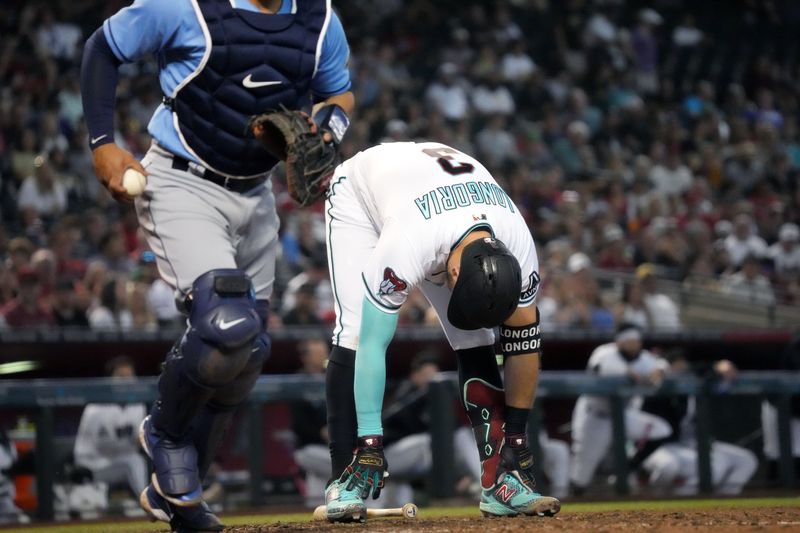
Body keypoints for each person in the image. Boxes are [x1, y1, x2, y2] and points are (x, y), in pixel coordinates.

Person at [80, 1, 354, 530]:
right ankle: (163, 433)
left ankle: (177, 499)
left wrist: (326, 130)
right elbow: (103, 47)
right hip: (183, 180)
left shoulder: (319, 19)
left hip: (257, 196)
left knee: (247, 353)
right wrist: (102, 143)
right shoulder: (186, 7)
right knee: (226, 325)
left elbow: (336, 92)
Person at [322, 141, 560, 521]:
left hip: (437, 203)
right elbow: (372, 343)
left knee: (478, 340)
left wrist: (517, 434)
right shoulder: (408, 243)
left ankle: (500, 478)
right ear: (451, 273)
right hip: (365, 194)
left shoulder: (519, 246)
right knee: (353, 329)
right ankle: (344, 480)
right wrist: (370, 440)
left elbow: (524, 347)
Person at [569, 323, 672, 494]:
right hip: (594, 417)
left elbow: (660, 364)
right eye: (629, 341)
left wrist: (660, 370)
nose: (634, 345)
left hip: (622, 416)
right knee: (581, 476)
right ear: (619, 343)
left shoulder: (644, 358)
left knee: (661, 429)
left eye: (637, 341)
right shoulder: (604, 353)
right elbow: (599, 368)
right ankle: (570, 508)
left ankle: (626, 469)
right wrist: (625, 372)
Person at [636, 356, 758, 495]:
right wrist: (661, 375)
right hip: (664, 446)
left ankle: (725, 504)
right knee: (691, 467)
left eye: (684, 366)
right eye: (676, 367)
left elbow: (705, 371)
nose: (681, 370)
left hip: (694, 444)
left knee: (746, 460)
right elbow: (653, 385)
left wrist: (718, 365)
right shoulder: (660, 386)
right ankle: (659, 502)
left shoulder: (697, 383)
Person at [73, 356, 148, 504]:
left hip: (120, 463)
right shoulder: (95, 408)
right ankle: (148, 503)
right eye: (121, 376)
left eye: (129, 376)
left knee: (137, 460)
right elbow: (92, 448)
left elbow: (136, 444)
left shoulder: (138, 405)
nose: (126, 380)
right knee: (133, 462)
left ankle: (154, 500)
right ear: (110, 379)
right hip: (92, 467)